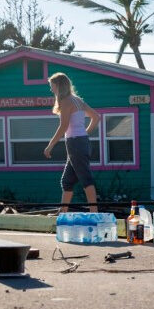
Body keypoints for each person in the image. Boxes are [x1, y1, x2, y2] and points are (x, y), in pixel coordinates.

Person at [44, 73, 101, 213]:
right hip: (80, 143)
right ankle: (63, 212)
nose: (51, 90)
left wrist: (50, 145)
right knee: (67, 181)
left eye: (52, 86)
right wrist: (85, 133)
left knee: (85, 178)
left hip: (76, 144)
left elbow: (63, 126)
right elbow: (96, 117)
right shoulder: (77, 100)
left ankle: (94, 213)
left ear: (59, 85)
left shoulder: (66, 101)